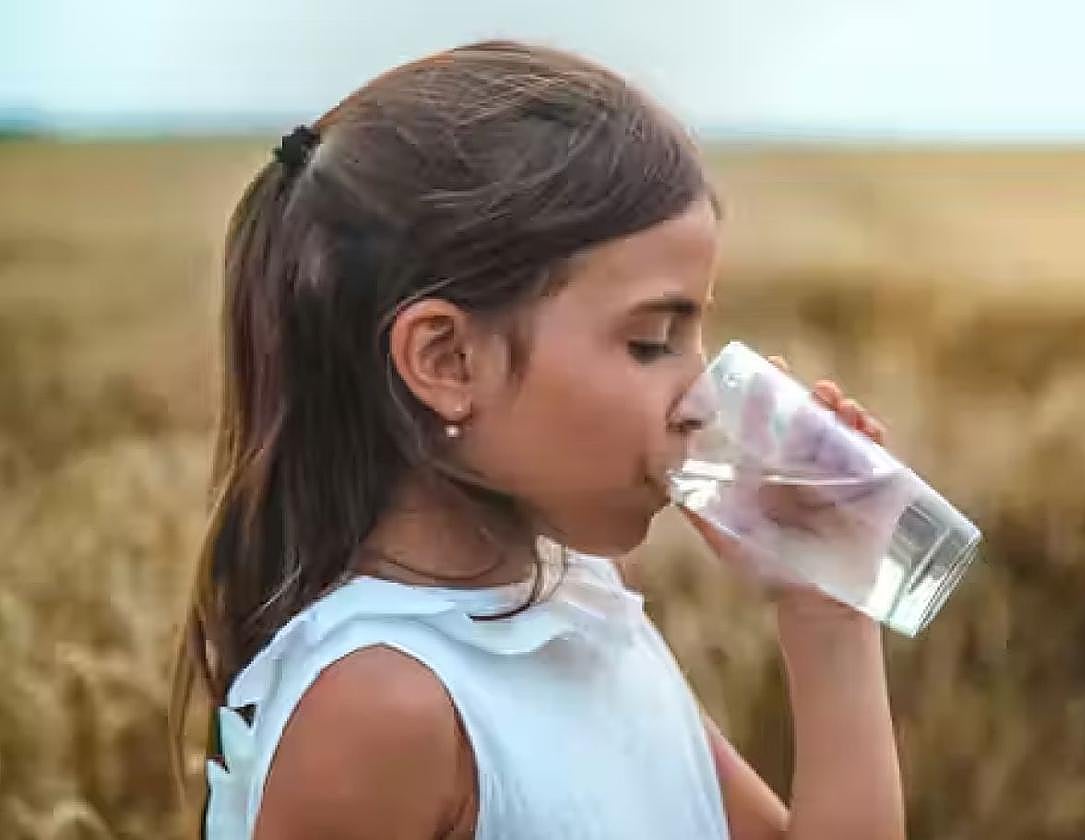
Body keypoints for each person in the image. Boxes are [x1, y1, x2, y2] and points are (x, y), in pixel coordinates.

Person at [168, 39, 904, 840]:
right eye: (652, 340)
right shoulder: (384, 705)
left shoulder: (576, 606)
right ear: (447, 360)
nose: (700, 392)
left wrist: (825, 615)